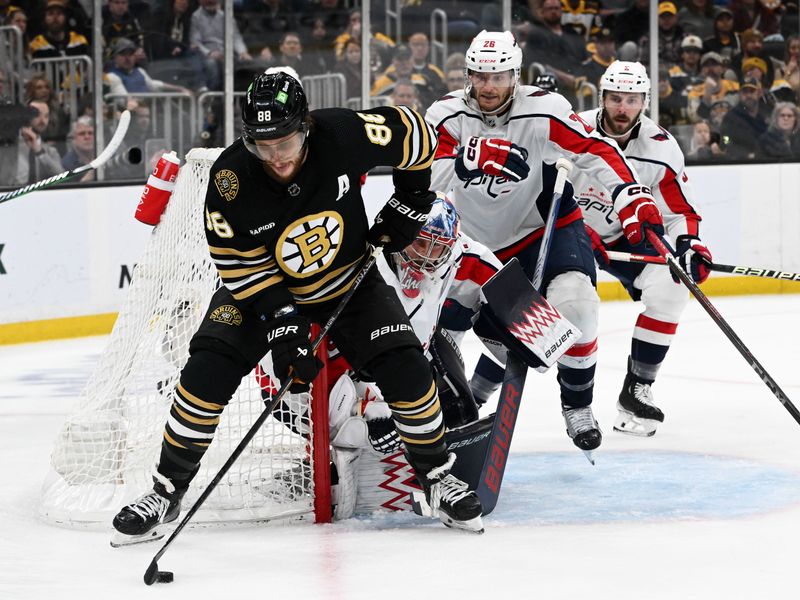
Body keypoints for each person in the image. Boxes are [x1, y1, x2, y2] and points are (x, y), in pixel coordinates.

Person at [110, 71, 484, 544]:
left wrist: (411, 197)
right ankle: (166, 491)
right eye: (262, 145)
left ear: (305, 125)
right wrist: (284, 326)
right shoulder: (229, 180)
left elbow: (417, 132)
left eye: (284, 141)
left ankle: (436, 477)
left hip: (347, 279)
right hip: (258, 293)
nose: (276, 157)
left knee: (408, 369)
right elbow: (240, 269)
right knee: (204, 371)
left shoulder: (343, 134)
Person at [425, 31, 664, 457]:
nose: (488, 86)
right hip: (474, 242)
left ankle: (577, 406)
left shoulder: (545, 108)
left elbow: (595, 149)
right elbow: (422, 178)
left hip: (544, 231)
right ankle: (447, 411)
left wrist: (630, 194)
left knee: (577, 306)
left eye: (498, 76)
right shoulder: (446, 115)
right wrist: (466, 160)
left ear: (515, 75)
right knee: (440, 327)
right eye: (480, 75)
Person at [572, 61, 711, 437]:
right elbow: (539, 194)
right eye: (615, 98)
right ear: (601, 97)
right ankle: (478, 394)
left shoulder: (661, 147)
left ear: (645, 102)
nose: (622, 108)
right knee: (568, 308)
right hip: (566, 232)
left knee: (672, 284)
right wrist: (577, 230)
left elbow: (679, 211)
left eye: (632, 100)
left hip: (622, 237)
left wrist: (690, 244)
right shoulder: (573, 128)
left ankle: (637, 388)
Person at [0, 100, 63, 186]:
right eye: (37, 114)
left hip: (40, 195)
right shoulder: (7, 145)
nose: (42, 120)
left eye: (46, 116)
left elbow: (62, 177)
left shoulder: (50, 150)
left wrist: (39, 151)